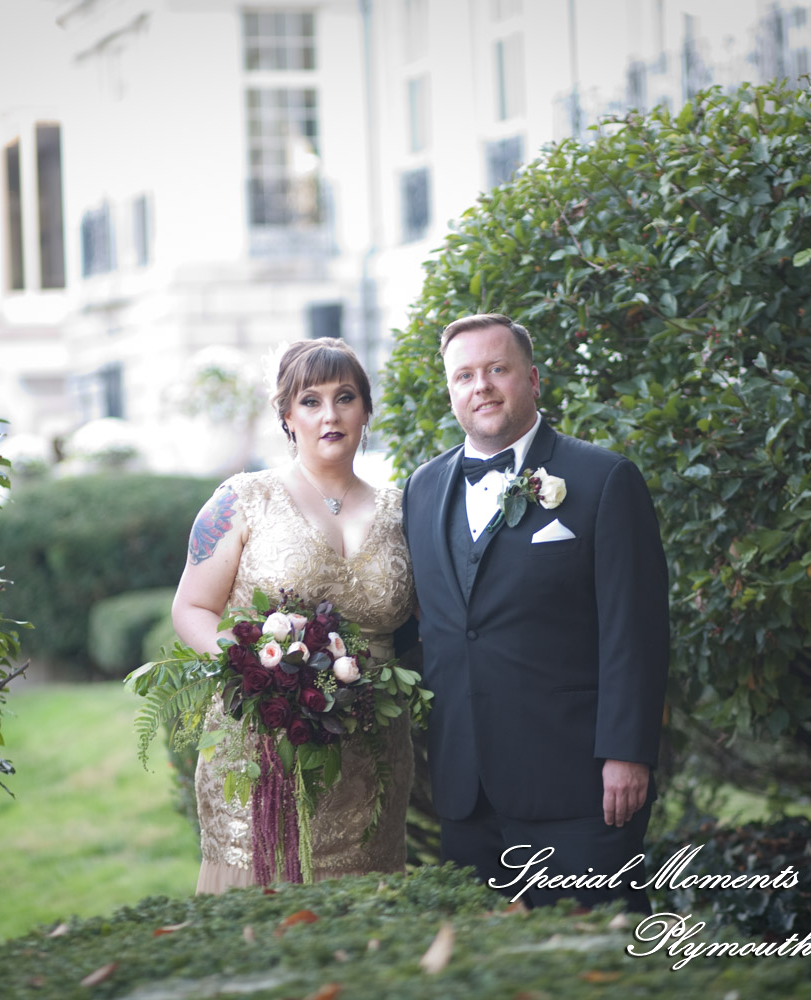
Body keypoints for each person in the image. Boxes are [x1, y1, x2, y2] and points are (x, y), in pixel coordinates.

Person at [401, 313, 669, 912]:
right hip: (466, 792)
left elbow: (636, 632)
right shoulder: (421, 489)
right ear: (450, 390)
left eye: (498, 369)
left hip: (579, 785)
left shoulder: (604, 480)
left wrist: (627, 753)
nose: (482, 387)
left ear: (534, 379)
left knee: (599, 960)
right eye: (465, 375)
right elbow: (427, 624)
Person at [172, 338, 415, 893]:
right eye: (310, 400)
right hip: (266, 748)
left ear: (366, 410)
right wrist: (258, 672)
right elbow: (191, 607)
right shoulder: (242, 499)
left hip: (373, 758)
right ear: (286, 415)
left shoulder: (404, 510)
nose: (329, 414)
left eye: (345, 397)